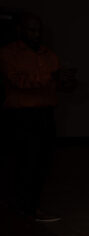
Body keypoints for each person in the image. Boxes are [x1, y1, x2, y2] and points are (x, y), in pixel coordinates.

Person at [0, 13, 73, 222]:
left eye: (38, 30)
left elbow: (57, 86)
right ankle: (24, 207)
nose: (35, 34)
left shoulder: (49, 55)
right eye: (31, 29)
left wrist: (67, 82)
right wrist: (51, 77)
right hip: (20, 116)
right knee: (23, 162)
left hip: (44, 114)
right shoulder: (8, 54)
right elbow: (18, 82)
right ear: (20, 30)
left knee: (42, 162)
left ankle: (31, 205)